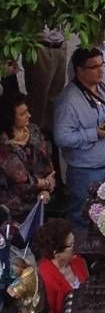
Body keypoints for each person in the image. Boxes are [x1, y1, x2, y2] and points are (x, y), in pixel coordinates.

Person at [53, 48, 105, 226]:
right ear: (79, 70)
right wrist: (94, 133)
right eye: (94, 67)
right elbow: (61, 137)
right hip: (87, 173)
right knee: (83, 219)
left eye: (102, 64)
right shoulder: (68, 100)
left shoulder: (104, 86)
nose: (101, 70)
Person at [0, 93, 55, 222]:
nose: (29, 116)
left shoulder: (33, 130)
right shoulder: (3, 144)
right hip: (15, 207)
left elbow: (46, 162)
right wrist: (45, 183)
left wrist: (46, 189)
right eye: (22, 114)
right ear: (10, 118)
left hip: (39, 197)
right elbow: (22, 178)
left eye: (27, 111)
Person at [35, 219, 88, 313]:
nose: (75, 248)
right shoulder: (45, 275)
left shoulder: (78, 261)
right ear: (56, 252)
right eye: (71, 245)